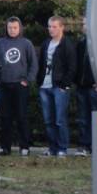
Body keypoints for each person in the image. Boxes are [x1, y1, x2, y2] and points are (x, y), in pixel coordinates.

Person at [0, 16, 38, 156]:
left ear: (19, 28)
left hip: (20, 85)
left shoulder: (26, 43)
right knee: (5, 117)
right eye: (10, 28)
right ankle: (5, 147)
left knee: (22, 116)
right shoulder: (0, 43)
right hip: (4, 85)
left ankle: (24, 146)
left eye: (15, 28)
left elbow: (33, 64)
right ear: (6, 28)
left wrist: (27, 80)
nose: (12, 30)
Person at [35, 16, 76, 157]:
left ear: (61, 27)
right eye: (49, 26)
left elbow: (72, 67)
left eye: (54, 26)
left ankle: (62, 148)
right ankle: (52, 148)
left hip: (59, 87)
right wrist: (39, 82)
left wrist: (64, 85)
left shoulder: (67, 44)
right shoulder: (46, 43)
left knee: (60, 119)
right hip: (44, 87)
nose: (51, 29)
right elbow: (41, 64)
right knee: (48, 120)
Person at [73, 20, 97, 156]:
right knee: (83, 118)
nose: (84, 27)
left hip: (95, 88)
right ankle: (84, 145)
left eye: (86, 23)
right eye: (83, 24)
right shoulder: (81, 44)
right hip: (82, 87)